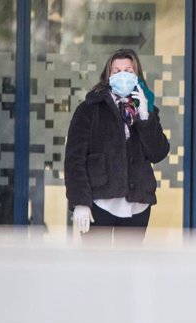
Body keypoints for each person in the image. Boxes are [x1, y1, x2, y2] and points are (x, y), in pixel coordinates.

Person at [64, 48, 170, 241]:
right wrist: (80, 201)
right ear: (108, 75)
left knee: (128, 266)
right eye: (116, 71)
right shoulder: (89, 109)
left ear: (137, 76)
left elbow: (158, 152)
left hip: (137, 203)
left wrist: (146, 117)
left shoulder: (146, 108)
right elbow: (74, 159)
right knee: (97, 266)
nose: (122, 75)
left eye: (128, 71)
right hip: (99, 202)